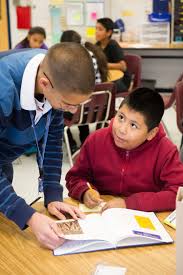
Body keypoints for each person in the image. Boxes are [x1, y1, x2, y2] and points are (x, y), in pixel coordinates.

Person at [0, 43, 95, 249]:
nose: (72, 111)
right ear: (44, 84)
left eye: (79, 104)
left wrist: (53, 196)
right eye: (68, 104)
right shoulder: (3, 88)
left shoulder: (57, 75)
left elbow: (52, 141)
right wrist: (29, 217)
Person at [66, 88, 183, 212]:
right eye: (121, 117)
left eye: (133, 125)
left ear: (152, 133)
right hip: (101, 214)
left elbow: (178, 193)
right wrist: (85, 191)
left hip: (142, 218)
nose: (122, 129)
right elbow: (75, 178)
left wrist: (131, 203)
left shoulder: (166, 151)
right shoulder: (96, 140)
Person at [60, 30, 108, 153]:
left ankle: (72, 145)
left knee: (57, 112)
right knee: (80, 103)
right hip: (98, 105)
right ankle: (84, 143)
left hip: (83, 108)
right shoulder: (89, 53)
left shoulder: (74, 59)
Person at [96, 17, 131, 92]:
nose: (96, 32)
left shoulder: (113, 45)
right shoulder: (96, 46)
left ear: (109, 33)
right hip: (108, 77)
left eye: (100, 29)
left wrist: (104, 65)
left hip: (121, 80)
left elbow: (123, 67)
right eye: (96, 29)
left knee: (101, 90)